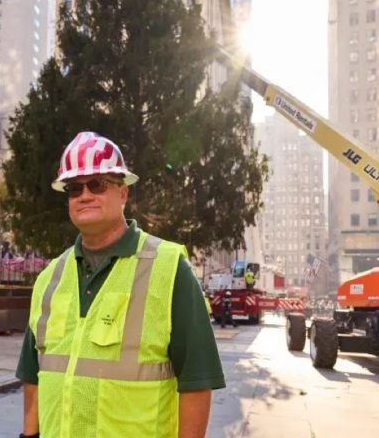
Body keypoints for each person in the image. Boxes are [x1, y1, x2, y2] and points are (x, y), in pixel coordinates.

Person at [15, 132, 225, 438]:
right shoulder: (50, 277)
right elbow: (34, 375)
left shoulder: (169, 268)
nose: (84, 195)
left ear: (123, 192)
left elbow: (196, 382)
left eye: (97, 184)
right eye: (74, 188)